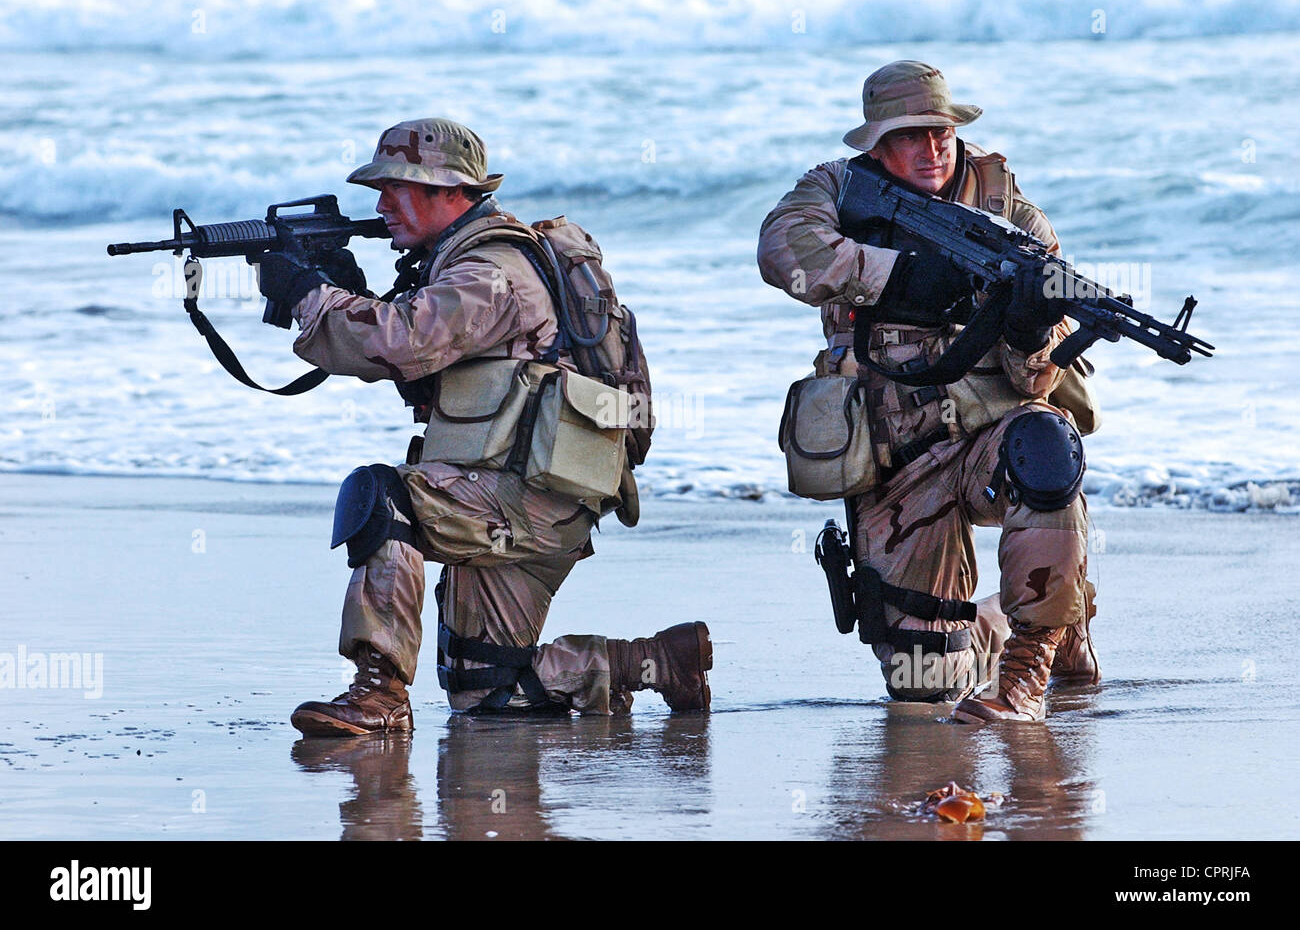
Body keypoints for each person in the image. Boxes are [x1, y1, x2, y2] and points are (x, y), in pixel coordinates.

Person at [252, 118, 712, 735]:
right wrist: (341, 291)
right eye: (379, 189)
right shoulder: (463, 261)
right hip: (541, 493)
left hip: (522, 501)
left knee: (383, 497)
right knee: (488, 689)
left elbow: (404, 341)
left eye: (398, 186)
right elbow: (418, 359)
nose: (383, 203)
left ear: (451, 191)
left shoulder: (490, 270)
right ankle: (657, 662)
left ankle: (378, 693)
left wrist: (311, 294)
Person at [757, 62, 1100, 723]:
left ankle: (1034, 658)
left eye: (940, 132)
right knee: (924, 682)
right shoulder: (837, 187)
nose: (931, 149)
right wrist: (903, 277)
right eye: (910, 135)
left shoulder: (1009, 214)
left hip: (990, 438)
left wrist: (1029, 327)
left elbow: (1040, 378)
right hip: (894, 452)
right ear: (877, 144)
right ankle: (1044, 610)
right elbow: (783, 251)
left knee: (1045, 445)